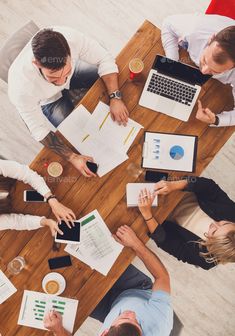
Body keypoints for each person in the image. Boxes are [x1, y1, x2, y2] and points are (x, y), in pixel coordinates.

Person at [8, 27, 129, 177]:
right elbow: (38, 130)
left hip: (75, 74)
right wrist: (71, 157)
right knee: (79, 141)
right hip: (50, 101)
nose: (61, 82)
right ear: (36, 64)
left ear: (69, 53)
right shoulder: (20, 88)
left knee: (121, 80)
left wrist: (115, 97)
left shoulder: (71, 38)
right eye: (53, 77)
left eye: (64, 72)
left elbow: (104, 58)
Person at [43, 225, 173, 336]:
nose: (132, 314)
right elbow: (162, 277)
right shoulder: (160, 320)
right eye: (138, 322)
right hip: (135, 288)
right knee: (96, 248)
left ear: (104, 333)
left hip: (109, 309)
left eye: (127, 317)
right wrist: (135, 244)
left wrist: (58, 329)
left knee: (68, 288)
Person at [138, 176, 235, 270]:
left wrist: (147, 213)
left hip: (157, 213)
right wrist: (173, 185)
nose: (214, 224)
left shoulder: (204, 260)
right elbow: (210, 187)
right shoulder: (232, 214)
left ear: (211, 246)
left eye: (213, 232)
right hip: (177, 188)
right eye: (224, 223)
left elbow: (164, 241)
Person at [161, 13, 235, 127]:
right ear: (211, 39)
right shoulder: (195, 29)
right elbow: (168, 23)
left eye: (216, 71)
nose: (203, 71)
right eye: (205, 60)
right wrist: (173, 61)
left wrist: (216, 120)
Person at [0, 159, 75, 235]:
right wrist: (45, 222)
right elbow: (16, 222)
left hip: (24, 184)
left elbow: (25, 173)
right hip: (22, 206)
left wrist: (52, 200)